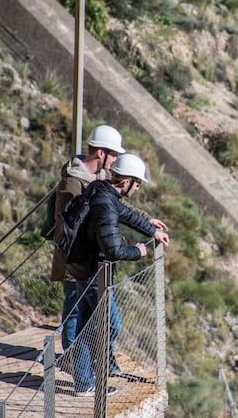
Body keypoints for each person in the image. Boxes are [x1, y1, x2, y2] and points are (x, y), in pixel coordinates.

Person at [50, 125, 166, 373]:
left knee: (84, 318)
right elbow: (74, 227)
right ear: (101, 153)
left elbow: (119, 210)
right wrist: (138, 251)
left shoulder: (100, 185)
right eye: (113, 154)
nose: (115, 160)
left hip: (85, 262)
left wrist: (149, 227)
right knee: (95, 320)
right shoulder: (76, 185)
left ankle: (85, 368)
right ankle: (82, 363)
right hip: (82, 261)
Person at [66, 153, 169, 397]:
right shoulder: (105, 206)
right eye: (138, 183)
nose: (138, 188)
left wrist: (152, 230)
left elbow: (127, 215)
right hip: (93, 274)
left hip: (82, 266)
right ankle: (93, 373)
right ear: (126, 182)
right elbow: (113, 249)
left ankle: (83, 382)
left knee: (84, 326)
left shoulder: (101, 191)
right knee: (110, 324)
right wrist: (138, 251)